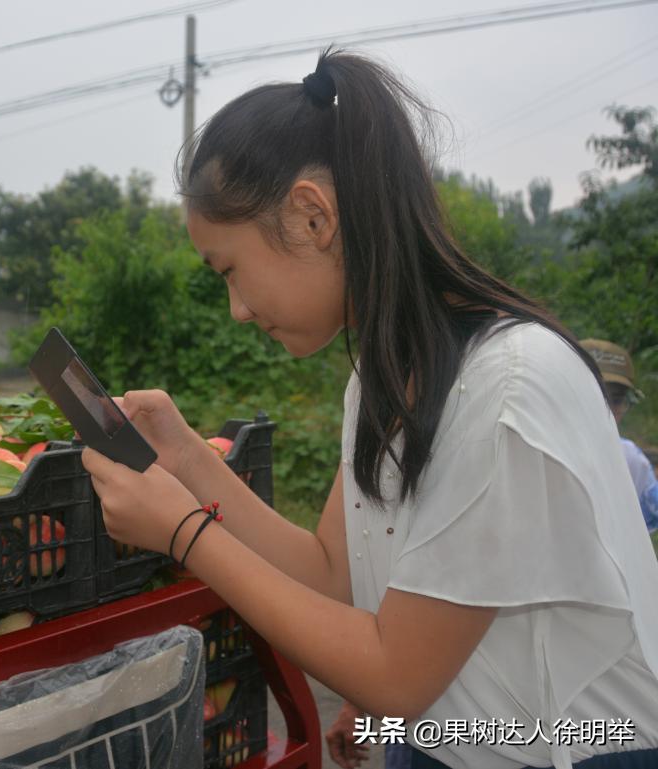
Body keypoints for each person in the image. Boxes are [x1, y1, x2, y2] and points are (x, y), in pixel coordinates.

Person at [80, 48, 658, 769]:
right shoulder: (385, 376)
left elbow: (395, 675)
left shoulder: (508, 387)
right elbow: (331, 575)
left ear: (312, 215)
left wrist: (185, 534)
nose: (235, 308)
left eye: (231, 270)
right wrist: (193, 459)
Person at [580, 339, 658, 533]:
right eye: (593, 394)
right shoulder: (533, 453)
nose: (604, 409)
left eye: (615, 399)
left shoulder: (632, 461)